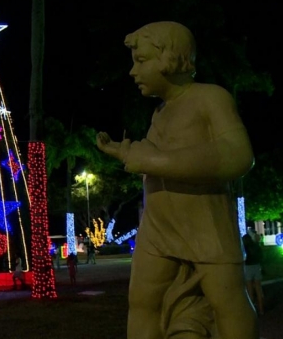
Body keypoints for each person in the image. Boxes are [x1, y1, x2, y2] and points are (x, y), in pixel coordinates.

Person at [96, 21, 257, 339]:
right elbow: (157, 160)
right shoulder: (160, 113)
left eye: (141, 61)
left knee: (228, 303)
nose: (132, 71)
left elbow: (239, 155)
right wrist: (125, 153)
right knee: (142, 303)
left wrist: (153, 160)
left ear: (170, 59)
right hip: (158, 225)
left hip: (205, 222)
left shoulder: (210, 98)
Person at [242, 234, 264, 315]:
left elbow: (243, 258)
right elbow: (261, 256)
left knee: (250, 290)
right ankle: (261, 309)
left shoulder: (244, 248)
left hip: (248, 268)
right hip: (257, 266)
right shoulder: (256, 246)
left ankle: (252, 311)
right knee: (259, 289)